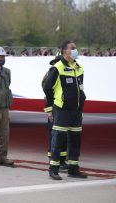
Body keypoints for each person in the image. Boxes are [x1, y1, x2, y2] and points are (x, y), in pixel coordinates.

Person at [43, 41, 87, 180]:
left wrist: (81, 103)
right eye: (72, 48)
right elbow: (47, 88)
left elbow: (80, 88)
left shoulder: (79, 68)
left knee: (75, 140)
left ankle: (73, 169)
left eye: (76, 48)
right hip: (61, 110)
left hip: (76, 111)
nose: (75, 50)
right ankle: (53, 169)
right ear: (64, 51)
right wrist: (49, 109)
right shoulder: (57, 68)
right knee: (58, 139)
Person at [42, 54, 68, 172]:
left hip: (65, 109)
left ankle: (62, 160)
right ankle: (54, 161)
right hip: (54, 109)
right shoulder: (52, 74)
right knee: (55, 136)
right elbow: (48, 93)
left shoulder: (67, 71)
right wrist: (49, 110)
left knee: (64, 136)